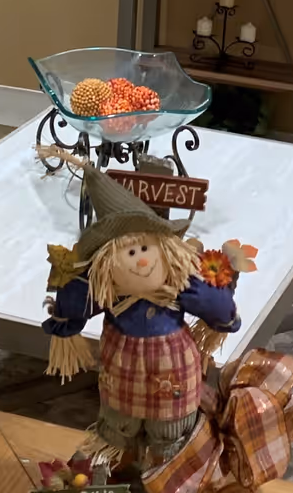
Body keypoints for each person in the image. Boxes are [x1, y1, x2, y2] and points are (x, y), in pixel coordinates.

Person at [40, 155, 249, 468]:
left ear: (166, 249)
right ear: (106, 262)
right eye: (130, 252)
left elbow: (217, 309)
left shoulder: (179, 284)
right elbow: (76, 307)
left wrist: (214, 299)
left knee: (169, 432)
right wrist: (73, 287)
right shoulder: (106, 289)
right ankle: (112, 467)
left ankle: (169, 475)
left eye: (145, 249)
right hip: (122, 376)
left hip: (174, 378)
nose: (140, 260)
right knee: (118, 423)